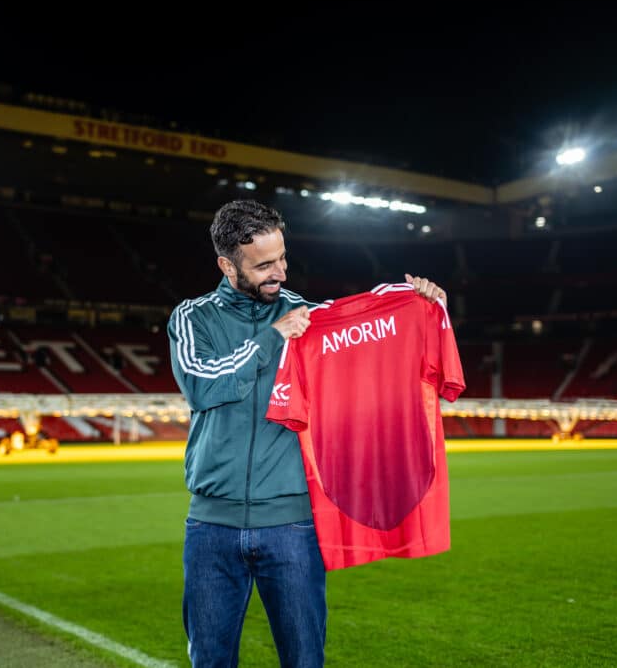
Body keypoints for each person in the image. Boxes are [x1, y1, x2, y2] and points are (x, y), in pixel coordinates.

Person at [168, 199, 446, 668]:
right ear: (226, 264)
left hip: (293, 525)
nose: (280, 272)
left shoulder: (312, 319)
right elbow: (202, 384)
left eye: (282, 258)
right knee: (210, 660)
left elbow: (370, 338)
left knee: (304, 659)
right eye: (263, 265)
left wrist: (415, 305)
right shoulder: (193, 318)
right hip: (211, 527)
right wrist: (272, 337)